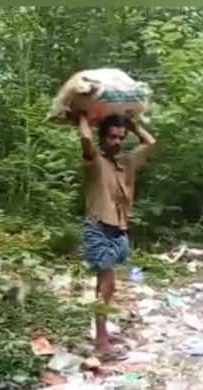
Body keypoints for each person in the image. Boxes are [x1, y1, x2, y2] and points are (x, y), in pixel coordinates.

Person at [76, 113, 156, 358]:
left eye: (121, 137)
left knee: (108, 285)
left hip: (118, 228)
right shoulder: (94, 161)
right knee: (106, 282)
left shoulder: (126, 164)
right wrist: (84, 118)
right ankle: (101, 342)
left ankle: (102, 338)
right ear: (103, 138)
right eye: (112, 136)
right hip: (99, 226)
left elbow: (149, 142)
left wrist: (132, 124)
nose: (117, 141)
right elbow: (86, 141)